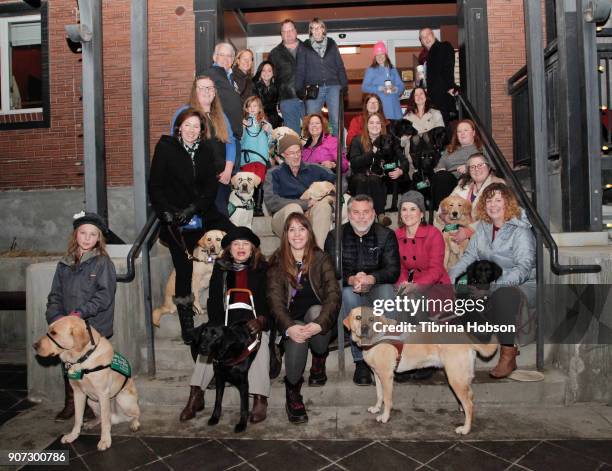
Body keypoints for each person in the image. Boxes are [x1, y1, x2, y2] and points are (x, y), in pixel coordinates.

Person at [150, 107, 234, 344]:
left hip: (202, 212)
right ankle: (187, 327)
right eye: (187, 125)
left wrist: (193, 208)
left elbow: (211, 188)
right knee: (184, 269)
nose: (191, 130)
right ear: (179, 127)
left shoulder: (206, 150)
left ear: (201, 130)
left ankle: (225, 307)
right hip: (175, 219)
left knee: (238, 237)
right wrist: (166, 212)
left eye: (196, 126)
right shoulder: (166, 147)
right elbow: (155, 185)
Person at [180, 227, 271, 424]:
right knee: (209, 341)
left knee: (259, 343)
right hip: (227, 323)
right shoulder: (221, 269)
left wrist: (262, 320)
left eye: (245, 244)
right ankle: (196, 395)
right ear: (229, 249)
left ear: (253, 249)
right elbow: (213, 302)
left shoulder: (263, 269)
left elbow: (269, 301)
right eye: (236, 244)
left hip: (253, 322)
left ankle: (259, 398)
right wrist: (219, 328)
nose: (240, 248)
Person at [448, 183, 536, 379]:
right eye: (489, 200)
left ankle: (508, 353)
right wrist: (448, 279)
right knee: (462, 291)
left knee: (503, 296)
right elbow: (468, 258)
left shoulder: (520, 231)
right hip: (487, 282)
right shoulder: (484, 229)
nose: (493, 204)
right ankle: (480, 338)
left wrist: (491, 288)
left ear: (508, 203)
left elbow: (523, 269)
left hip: (519, 285)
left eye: (498, 200)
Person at [267, 213, 340, 424]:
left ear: (309, 232)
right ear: (285, 235)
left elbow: (334, 295)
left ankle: (319, 358)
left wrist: (318, 325)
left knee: (318, 312)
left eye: (302, 229)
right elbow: (274, 301)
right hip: (291, 321)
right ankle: (293, 392)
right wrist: (289, 328)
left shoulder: (321, 258)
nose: (297, 234)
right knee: (298, 338)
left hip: (316, 320)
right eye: (292, 229)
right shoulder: (277, 261)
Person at [45, 212, 116, 421]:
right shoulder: (64, 263)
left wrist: (80, 314)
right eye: (83, 233)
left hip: (92, 326)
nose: (87, 238)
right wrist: (56, 317)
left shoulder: (102, 263)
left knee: (89, 367)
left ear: (98, 239)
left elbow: (105, 296)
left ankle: (91, 405)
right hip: (66, 327)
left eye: (92, 235)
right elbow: (55, 295)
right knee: (68, 363)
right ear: (76, 235)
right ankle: (71, 403)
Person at [324, 194, 400, 385]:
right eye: (356, 212)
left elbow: (393, 270)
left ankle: (388, 354)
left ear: (373, 213)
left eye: (366, 212)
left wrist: (372, 278)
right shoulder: (335, 236)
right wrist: (351, 279)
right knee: (348, 295)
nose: (361, 217)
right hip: (350, 286)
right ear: (348, 214)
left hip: (377, 285)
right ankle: (361, 361)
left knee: (386, 294)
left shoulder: (386, 235)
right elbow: (330, 271)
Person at [172, 75, 236, 216]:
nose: (207, 91)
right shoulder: (185, 113)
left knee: (220, 222)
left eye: (210, 88)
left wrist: (228, 170)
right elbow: (175, 146)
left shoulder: (220, 115)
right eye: (202, 88)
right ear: (195, 91)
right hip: (197, 183)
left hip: (220, 180)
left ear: (214, 92)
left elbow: (230, 142)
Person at [263, 133, 336, 249]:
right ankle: (295, 253)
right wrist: (305, 204)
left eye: (298, 152)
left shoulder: (313, 169)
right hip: (283, 219)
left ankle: (317, 253)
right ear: (282, 154)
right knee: (294, 209)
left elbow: (341, 181)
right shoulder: (274, 173)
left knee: (323, 206)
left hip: (310, 216)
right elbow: (271, 201)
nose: (296, 156)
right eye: (291, 153)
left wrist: (330, 196)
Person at [202, 43, 244, 213]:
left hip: (233, 138)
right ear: (214, 57)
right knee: (220, 191)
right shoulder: (210, 75)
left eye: (229, 56)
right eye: (222, 55)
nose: (226, 59)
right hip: (220, 140)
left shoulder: (229, 77)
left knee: (230, 188)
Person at [348, 112, 407, 224]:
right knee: (362, 179)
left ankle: (380, 215)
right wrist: (372, 152)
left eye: (377, 123)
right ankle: (361, 214)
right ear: (367, 125)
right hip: (358, 178)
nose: (374, 125)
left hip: (376, 178)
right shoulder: (357, 140)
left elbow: (404, 160)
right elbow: (354, 162)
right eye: (371, 123)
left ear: (381, 126)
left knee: (374, 179)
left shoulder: (388, 140)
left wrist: (401, 170)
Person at [295, 18, 348, 136]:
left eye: (319, 27)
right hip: (314, 88)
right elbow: (300, 69)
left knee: (336, 121)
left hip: (334, 86)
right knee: (312, 122)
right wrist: (299, 88)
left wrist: (344, 85)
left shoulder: (331, 43)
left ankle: (340, 153)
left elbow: (339, 65)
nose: (316, 30)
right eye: (313, 28)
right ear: (310, 31)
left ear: (323, 29)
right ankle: (314, 152)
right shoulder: (304, 46)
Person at [441, 152, 505, 245]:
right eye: (472, 167)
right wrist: (448, 222)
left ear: (489, 167)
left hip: (486, 237)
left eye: (480, 165)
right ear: (469, 171)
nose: (476, 169)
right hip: (457, 226)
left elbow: (496, 217)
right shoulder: (463, 185)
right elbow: (444, 206)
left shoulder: (498, 185)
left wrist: (467, 232)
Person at [432, 119, 484, 210]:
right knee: (441, 176)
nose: (462, 133)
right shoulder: (450, 149)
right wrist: (441, 169)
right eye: (459, 131)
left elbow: (488, 165)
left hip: (467, 179)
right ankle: (443, 211)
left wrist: (469, 167)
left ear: (473, 133)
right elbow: (440, 164)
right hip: (448, 179)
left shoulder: (480, 148)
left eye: (465, 130)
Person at [269, 19, 304, 134]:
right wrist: (275, 102)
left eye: (290, 30)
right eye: (285, 31)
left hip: (308, 98)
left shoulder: (308, 48)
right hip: (287, 99)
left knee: (313, 134)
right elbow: (271, 80)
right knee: (293, 136)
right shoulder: (274, 54)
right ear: (281, 34)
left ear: (296, 31)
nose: (288, 33)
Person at [240, 96, 273, 216]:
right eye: (250, 106)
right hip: (247, 158)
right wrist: (242, 129)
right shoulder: (243, 123)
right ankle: (247, 206)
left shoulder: (265, 124)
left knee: (259, 182)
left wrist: (268, 131)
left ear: (259, 108)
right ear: (247, 109)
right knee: (247, 182)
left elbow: (270, 142)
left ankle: (258, 207)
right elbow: (240, 141)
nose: (252, 108)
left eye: (255, 106)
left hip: (261, 158)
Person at [419, 28, 457, 123]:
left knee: (443, 130)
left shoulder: (443, 46)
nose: (426, 38)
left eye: (428, 35)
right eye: (423, 37)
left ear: (433, 35)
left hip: (442, 97)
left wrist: (450, 87)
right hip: (432, 100)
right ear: (422, 42)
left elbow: (448, 67)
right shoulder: (425, 56)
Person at [361, 41, 405, 121]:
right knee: (384, 131)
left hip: (395, 109)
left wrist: (395, 89)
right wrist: (380, 88)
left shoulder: (393, 69)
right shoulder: (371, 70)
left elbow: (401, 86)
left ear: (386, 55)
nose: (380, 57)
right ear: (374, 57)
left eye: (382, 54)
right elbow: (364, 87)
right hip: (381, 108)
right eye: (377, 55)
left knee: (396, 131)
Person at [253, 60, 282, 128]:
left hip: (274, 121)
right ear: (260, 72)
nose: (266, 73)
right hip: (259, 120)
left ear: (273, 73)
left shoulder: (276, 87)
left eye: (269, 71)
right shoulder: (254, 86)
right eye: (263, 70)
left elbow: (276, 107)